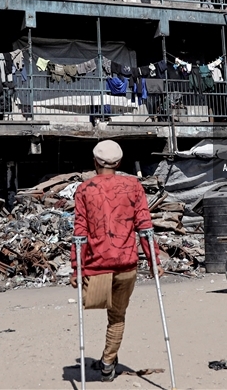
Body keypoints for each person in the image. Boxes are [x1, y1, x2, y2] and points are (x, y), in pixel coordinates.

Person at [70, 140, 157, 382]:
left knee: (98, 308)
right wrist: (154, 262)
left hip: (97, 267)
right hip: (126, 264)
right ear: (118, 163)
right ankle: (108, 362)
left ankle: (107, 359)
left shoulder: (84, 190)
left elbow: (80, 232)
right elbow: (145, 227)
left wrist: (77, 268)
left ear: (95, 161)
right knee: (117, 316)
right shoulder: (133, 186)